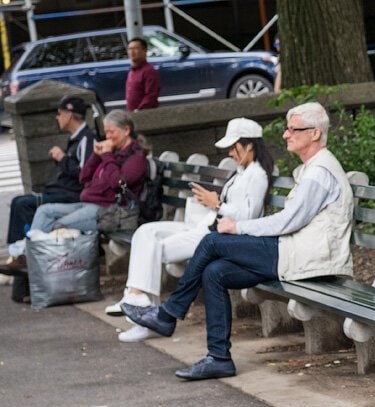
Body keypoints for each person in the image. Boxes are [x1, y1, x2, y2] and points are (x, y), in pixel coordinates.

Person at [122, 102, 354, 381]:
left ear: (315, 133)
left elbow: (288, 222)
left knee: (212, 242)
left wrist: (238, 226)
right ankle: (218, 357)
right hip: (293, 251)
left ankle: (168, 314)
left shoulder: (320, 172)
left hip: (307, 258)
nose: (286, 135)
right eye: (287, 129)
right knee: (215, 272)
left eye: (293, 129)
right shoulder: (311, 169)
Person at [110, 117, 274, 343]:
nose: (229, 153)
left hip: (215, 236)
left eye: (233, 147)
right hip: (203, 226)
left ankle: (141, 310)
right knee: (145, 233)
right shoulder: (241, 172)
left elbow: (249, 218)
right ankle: (137, 298)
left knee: (152, 250)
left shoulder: (258, 175)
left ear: (249, 145)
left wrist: (216, 203)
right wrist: (212, 203)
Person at [0, 95, 97, 286]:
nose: (57, 117)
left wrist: (62, 159)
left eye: (59, 113)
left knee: (24, 204)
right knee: (20, 202)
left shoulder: (87, 138)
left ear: (69, 115)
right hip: (64, 191)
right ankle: (18, 257)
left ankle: (21, 258)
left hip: (73, 196)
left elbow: (85, 175)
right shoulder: (75, 139)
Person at [24, 109, 147, 237]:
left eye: (112, 132)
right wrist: (95, 155)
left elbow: (117, 182)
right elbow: (84, 177)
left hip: (109, 211)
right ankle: (31, 248)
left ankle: (33, 247)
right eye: (106, 132)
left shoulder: (136, 158)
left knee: (57, 225)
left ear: (126, 130)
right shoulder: (113, 152)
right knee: (44, 211)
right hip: (89, 203)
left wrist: (106, 156)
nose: (108, 136)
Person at [126, 37, 160, 111]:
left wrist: (140, 110)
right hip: (132, 115)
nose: (132, 52)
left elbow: (151, 95)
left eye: (136, 48)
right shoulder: (132, 71)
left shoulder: (149, 71)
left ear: (144, 51)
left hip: (145, 115)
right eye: (130, 49)